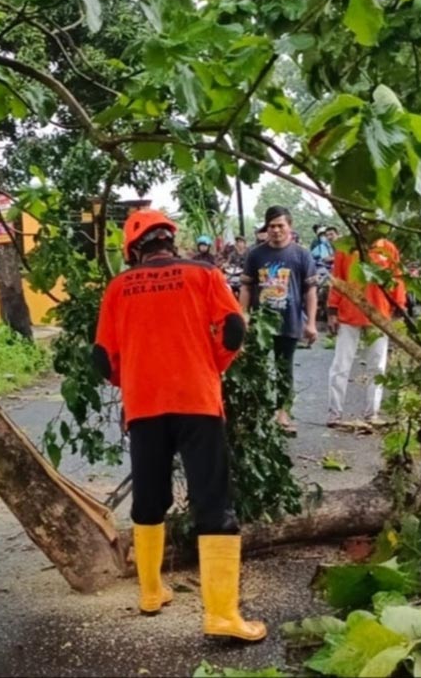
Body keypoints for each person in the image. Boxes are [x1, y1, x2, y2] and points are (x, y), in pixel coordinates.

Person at [93, 209, 266, 642]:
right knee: (213, 501)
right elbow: (232, 330)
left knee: (150, 499)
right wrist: (212, 367)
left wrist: (129, 379)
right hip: (198, 403)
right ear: (170, 238)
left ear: (133, 248)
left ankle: (151, 592)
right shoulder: (204, 274)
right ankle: (222, 614)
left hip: (144, 407)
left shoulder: (117, 287)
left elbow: (102, 358)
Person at [239, 206, 318, 436]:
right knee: (258, 369)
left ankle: (283, 414)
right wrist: (243, 316)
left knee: (285, 369)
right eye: (271, 226)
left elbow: (310, 292)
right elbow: (245, 287)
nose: (275, 230)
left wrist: (311, 323)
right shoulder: (255, 254)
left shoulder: (301, 255)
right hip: (260, 324)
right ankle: (259, 414)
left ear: (289, 227)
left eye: (280, 226)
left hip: (289, 320)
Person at [326, 235, 407, 429]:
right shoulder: (345, 247)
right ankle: (334, 414)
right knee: (341, 364)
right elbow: (338, 278)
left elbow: (397, 279)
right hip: (349, 312)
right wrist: (332, 309)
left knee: (377, 367)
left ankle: (372, 413)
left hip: (380, 314)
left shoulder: (388, 247)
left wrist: (400, 307)